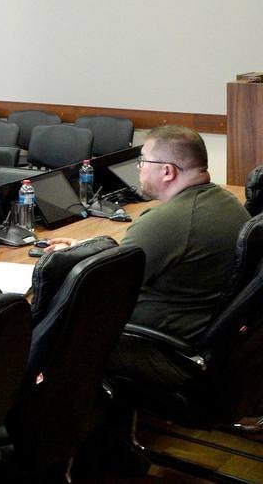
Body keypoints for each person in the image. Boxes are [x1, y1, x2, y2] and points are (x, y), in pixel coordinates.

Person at [48, 125, 249, 476]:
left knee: (65, 342)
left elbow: (103, 287)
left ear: (167, 171)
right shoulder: (226, 203)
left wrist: (68, 262)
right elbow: (138, 255)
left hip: (173, 353)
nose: (139, 169)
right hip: (215, 349)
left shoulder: (168, 221)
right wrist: (88, 248)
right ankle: (113, 448)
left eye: (143, 161)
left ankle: (73, 462)